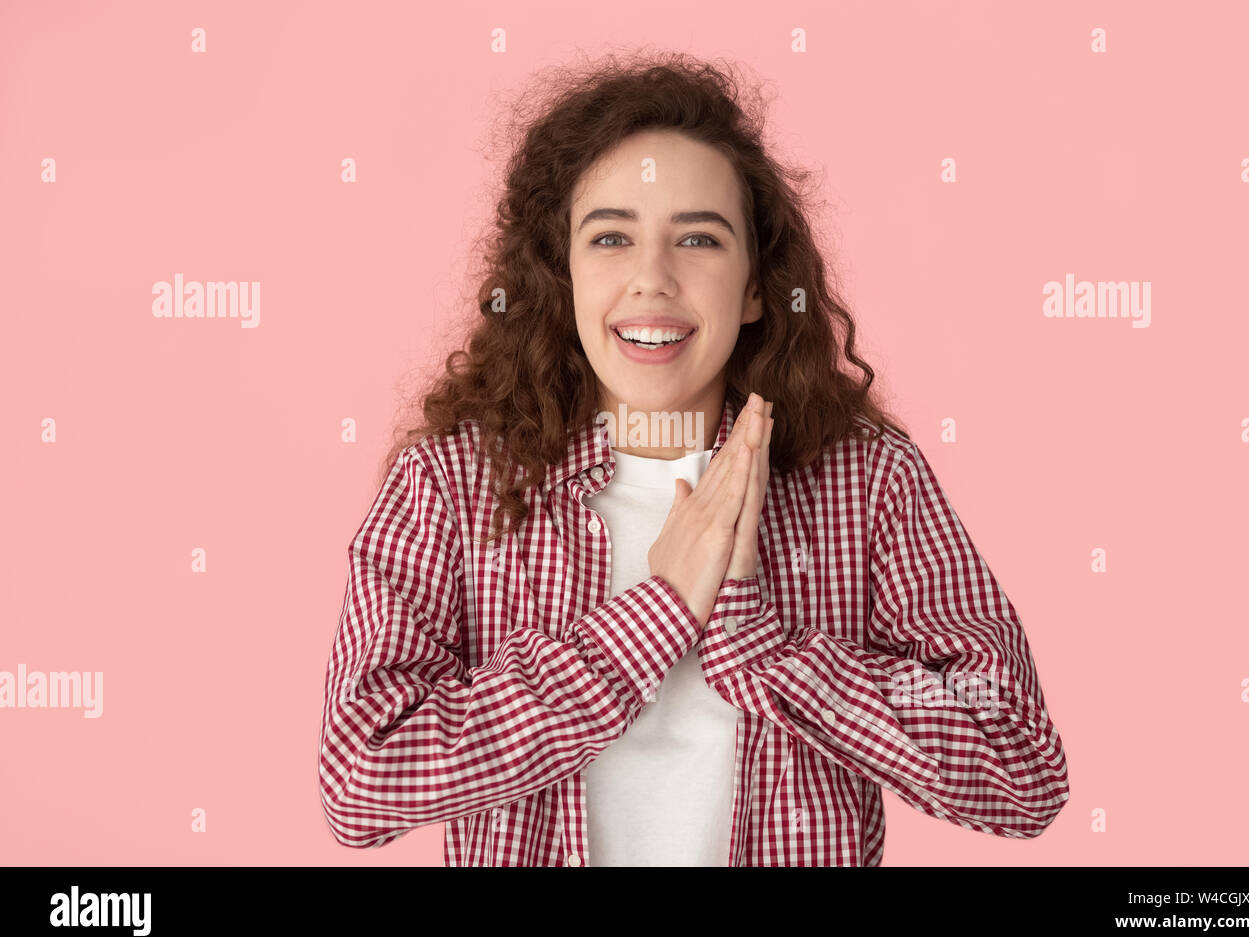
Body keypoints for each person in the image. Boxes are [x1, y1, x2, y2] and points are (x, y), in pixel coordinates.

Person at [316, 52, 1069, 866]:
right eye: (610, 238)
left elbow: (1019, 762)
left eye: (699, 239)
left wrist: (763, 646)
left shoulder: (866, 479)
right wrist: (657, 612)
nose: (652, 280)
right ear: (561, 275)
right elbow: (362, 780)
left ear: (754, 285)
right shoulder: (453, 486)